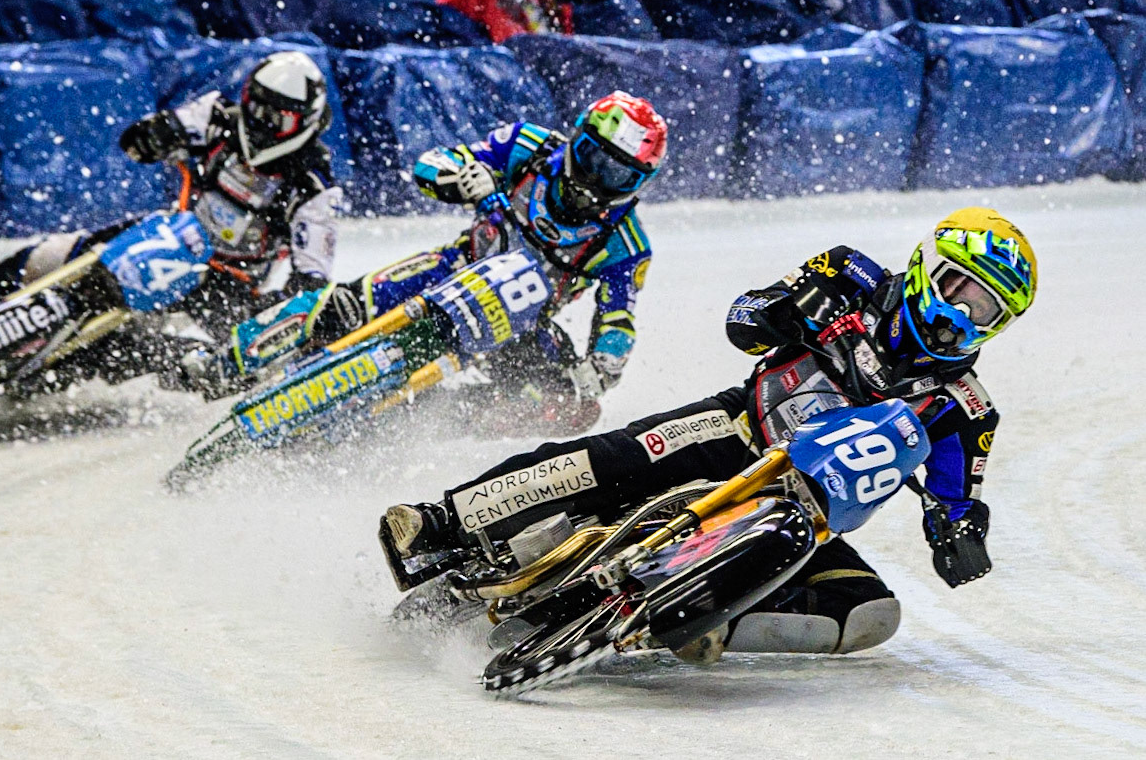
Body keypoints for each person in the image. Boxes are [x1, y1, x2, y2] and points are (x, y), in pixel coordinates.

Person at [383, 207, 1036, 659]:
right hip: (739, 428)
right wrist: (785, 311)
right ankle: (443, 518)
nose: (962, 319)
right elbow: (742, 318)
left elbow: (957, 503)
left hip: (798, 509)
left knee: (868, 611)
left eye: (987, 314)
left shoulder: (965, 407)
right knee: (609, 459)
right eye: (962, 291)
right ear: (929, 264)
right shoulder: (850, 273)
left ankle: (704, 620)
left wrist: (961, 536)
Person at [182, 91, 668, 435]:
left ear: (637, 183)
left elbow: (618, 318)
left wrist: (599, 370)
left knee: (573, 408)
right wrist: (462, 178)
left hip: (520, 322)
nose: (595, 181)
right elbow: (431, 162)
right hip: (453, 267)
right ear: (576, 137)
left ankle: (432, 418)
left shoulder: (625, 242)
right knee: (340, 305)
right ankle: (226, 362)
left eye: (617, 175)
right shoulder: (529, 146)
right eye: (592, 158)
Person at [0, 50, 340, 385]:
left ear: (303, 123)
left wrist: (282, 304)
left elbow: (313, 277)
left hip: (230, 282)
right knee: (53, 255)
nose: (259, 123)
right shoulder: (217, 116)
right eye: (255, 107)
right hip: (173, 233)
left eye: (276, 119)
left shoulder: (314, 186)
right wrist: (154, 135)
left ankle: (86, 363)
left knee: (231, 365)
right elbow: (144, 138)